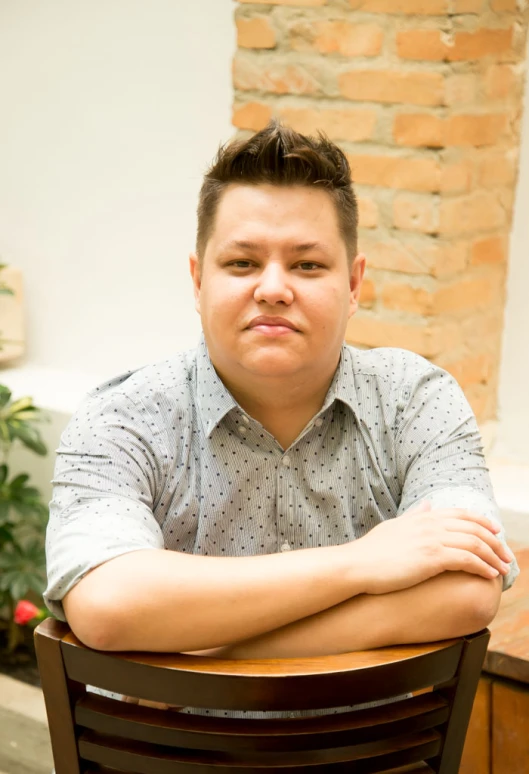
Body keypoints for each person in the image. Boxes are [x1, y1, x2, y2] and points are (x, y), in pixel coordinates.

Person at [44, 121, 518, 718]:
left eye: (307, 265)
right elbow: (110, 603)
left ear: (353, 283)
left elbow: (468, 588)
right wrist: (360, 563)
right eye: (242, 263)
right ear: (198, 280)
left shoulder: (415, 399)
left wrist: (208, 650)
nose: (272, 288)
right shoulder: (122, 416)